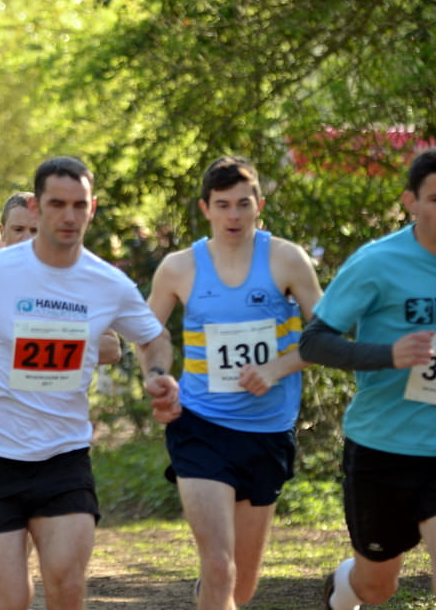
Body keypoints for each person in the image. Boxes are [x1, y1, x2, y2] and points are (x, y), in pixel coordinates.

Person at [0, 156, 178, 610]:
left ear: (92, 208)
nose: (68, 215)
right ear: (38, 208)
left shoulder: (106, 282)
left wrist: (158, 377)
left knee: (66, 585)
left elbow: (153, 337)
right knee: (10, 599)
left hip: (64, 458)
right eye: (57, 204)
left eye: (78, 205)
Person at [146, 156, 322, 610]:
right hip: (201, 425)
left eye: (243, 204)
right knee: (219, 565)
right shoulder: (179, 267)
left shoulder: (286, 258)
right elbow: (150, 334)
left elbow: (326, 336)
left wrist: (276, 369)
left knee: (241, 585)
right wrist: (157, 376)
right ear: (205, 208)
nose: (234, 216)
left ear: (259, 205)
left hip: (267, 431)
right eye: (223, 205)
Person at [298, 149, 436, 610]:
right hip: (383, 446)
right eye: (435, 198)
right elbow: (313, 343)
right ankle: (343, 588)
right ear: (410, 202)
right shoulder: (377, 262)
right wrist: (389, 354)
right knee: (378, 587)